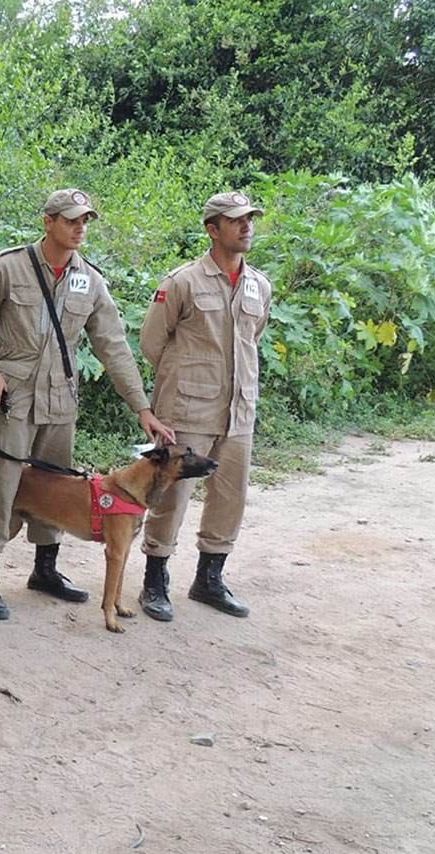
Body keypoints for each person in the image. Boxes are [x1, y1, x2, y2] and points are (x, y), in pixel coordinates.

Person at [0, 188, 174, 621]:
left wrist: (142, 407)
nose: (80, 228)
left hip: (60, 401)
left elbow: (114, 347)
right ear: (48, 222)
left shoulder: (90, 280)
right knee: (4, 485)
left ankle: (45, 569)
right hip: (13, 397)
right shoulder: (9, 267)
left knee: (56, 485)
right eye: (72, 220)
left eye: (86, 221)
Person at [137, 191, 272, 622]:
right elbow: (152, 342)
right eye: (236, 220)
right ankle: (155, 580)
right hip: (187, 410)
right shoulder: (182, 282)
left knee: (230, 496)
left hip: (238, 410)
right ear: (212, 229)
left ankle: (209, 578)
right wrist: (187, 379)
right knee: (172, 494)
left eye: (250, 218)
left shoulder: (259, 284)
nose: (246, 226)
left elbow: (253, 340)